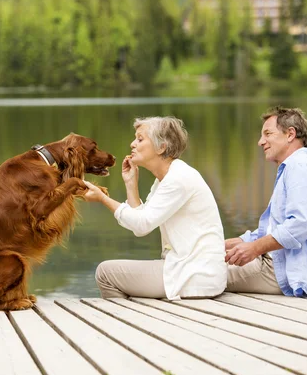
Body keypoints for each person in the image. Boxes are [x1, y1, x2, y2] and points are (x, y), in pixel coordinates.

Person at [83, 116, 227, 300]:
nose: (132, 144)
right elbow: (140, 226)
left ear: (161, 147)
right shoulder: (166, 179)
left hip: (194, 275)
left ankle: (119, 323)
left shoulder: (178, 179)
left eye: (140, 139)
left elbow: (142, 224)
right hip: (188, 269)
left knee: (105, 273)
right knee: (112, 274)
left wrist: (103, 199)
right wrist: (130, 184)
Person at [225, 106, 307, 297]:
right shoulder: (293, 168)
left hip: (286, 273)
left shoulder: (300, 168)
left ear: (290, 134)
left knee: (200, 275)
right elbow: (273, 230)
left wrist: (253, 249)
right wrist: (229, 244)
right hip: (276, 266)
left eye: (267, 133)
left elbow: (300, 225)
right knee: (208, 261)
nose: (260, 142)